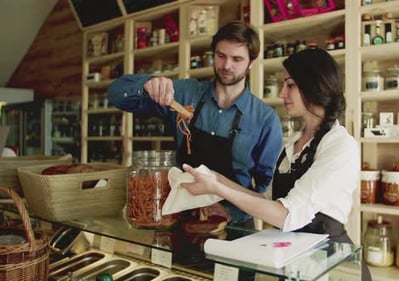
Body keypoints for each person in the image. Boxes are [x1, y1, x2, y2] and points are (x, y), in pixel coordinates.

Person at [181, 48, 372, 280]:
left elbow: (286, 215)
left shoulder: (340, 145)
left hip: (331, 265)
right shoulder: (295, 142)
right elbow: (269, 202)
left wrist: (218, 189)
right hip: (295, 259)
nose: (282, 93)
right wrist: (216, 179)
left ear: (314, 86)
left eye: (290, 84)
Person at [107, 21, 283, 225]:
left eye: (237, 59)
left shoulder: (264, 118)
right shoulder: (185, 93)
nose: (227, 66)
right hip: (179, 217)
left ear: (251, 62)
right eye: (221, 56)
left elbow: (266, 187)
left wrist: (231, 212)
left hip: (235, 227)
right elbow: (116, 95)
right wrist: (147, 85)